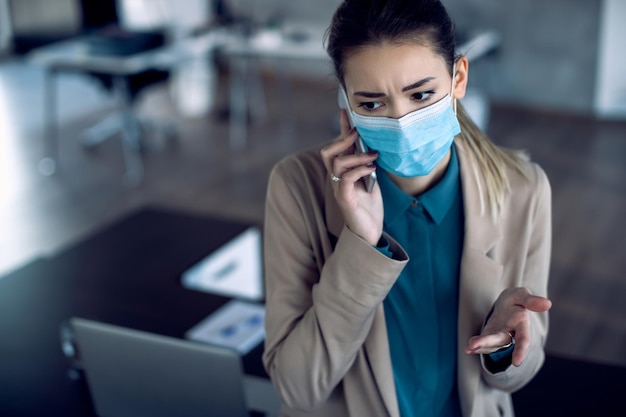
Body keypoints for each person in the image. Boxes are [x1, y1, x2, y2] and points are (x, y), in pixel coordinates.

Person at [262, 0, 552, 416]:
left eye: (421, 94)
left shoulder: (525, 190)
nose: (401, 120)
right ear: (345, 104)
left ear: (458, 78)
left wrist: (505, 345)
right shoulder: (296, 187)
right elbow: (297, 389)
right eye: (373, 104)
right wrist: (360, 244)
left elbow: (520, 372)